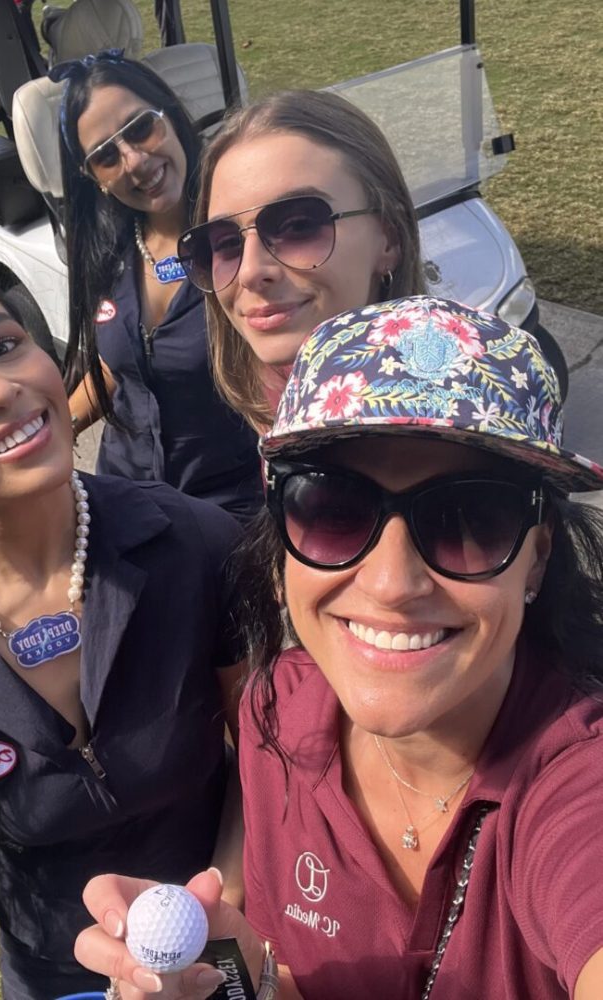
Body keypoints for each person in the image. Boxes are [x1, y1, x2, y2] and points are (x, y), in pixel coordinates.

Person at [72, 296, 603, 999]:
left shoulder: (574, 781)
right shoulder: (278, 712)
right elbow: (274, 976)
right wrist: (224, 974)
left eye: (469, 517)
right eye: (334, 508)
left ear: (536, 559)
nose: (390, 584)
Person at [0, 223, 246, 1000]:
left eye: (2, 345)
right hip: (51, 981)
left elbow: (264, 767)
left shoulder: (198, 545)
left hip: (216, 943)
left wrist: (214, 916)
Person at [56, 50, 263, 523]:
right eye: (106, 155)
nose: (134, 160)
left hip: (230, 511)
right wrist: (59, 427)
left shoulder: (242, 237)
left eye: (140, 128)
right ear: (94, 179)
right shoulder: (107, 252)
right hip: (124, 500)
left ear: (170, 114)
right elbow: (118, 363)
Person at [176, 89, 426, 432]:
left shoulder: (442, 430)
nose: (249, 272)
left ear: (390, 238)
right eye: (227, 242)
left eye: (298, 226)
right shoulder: (276, 382)